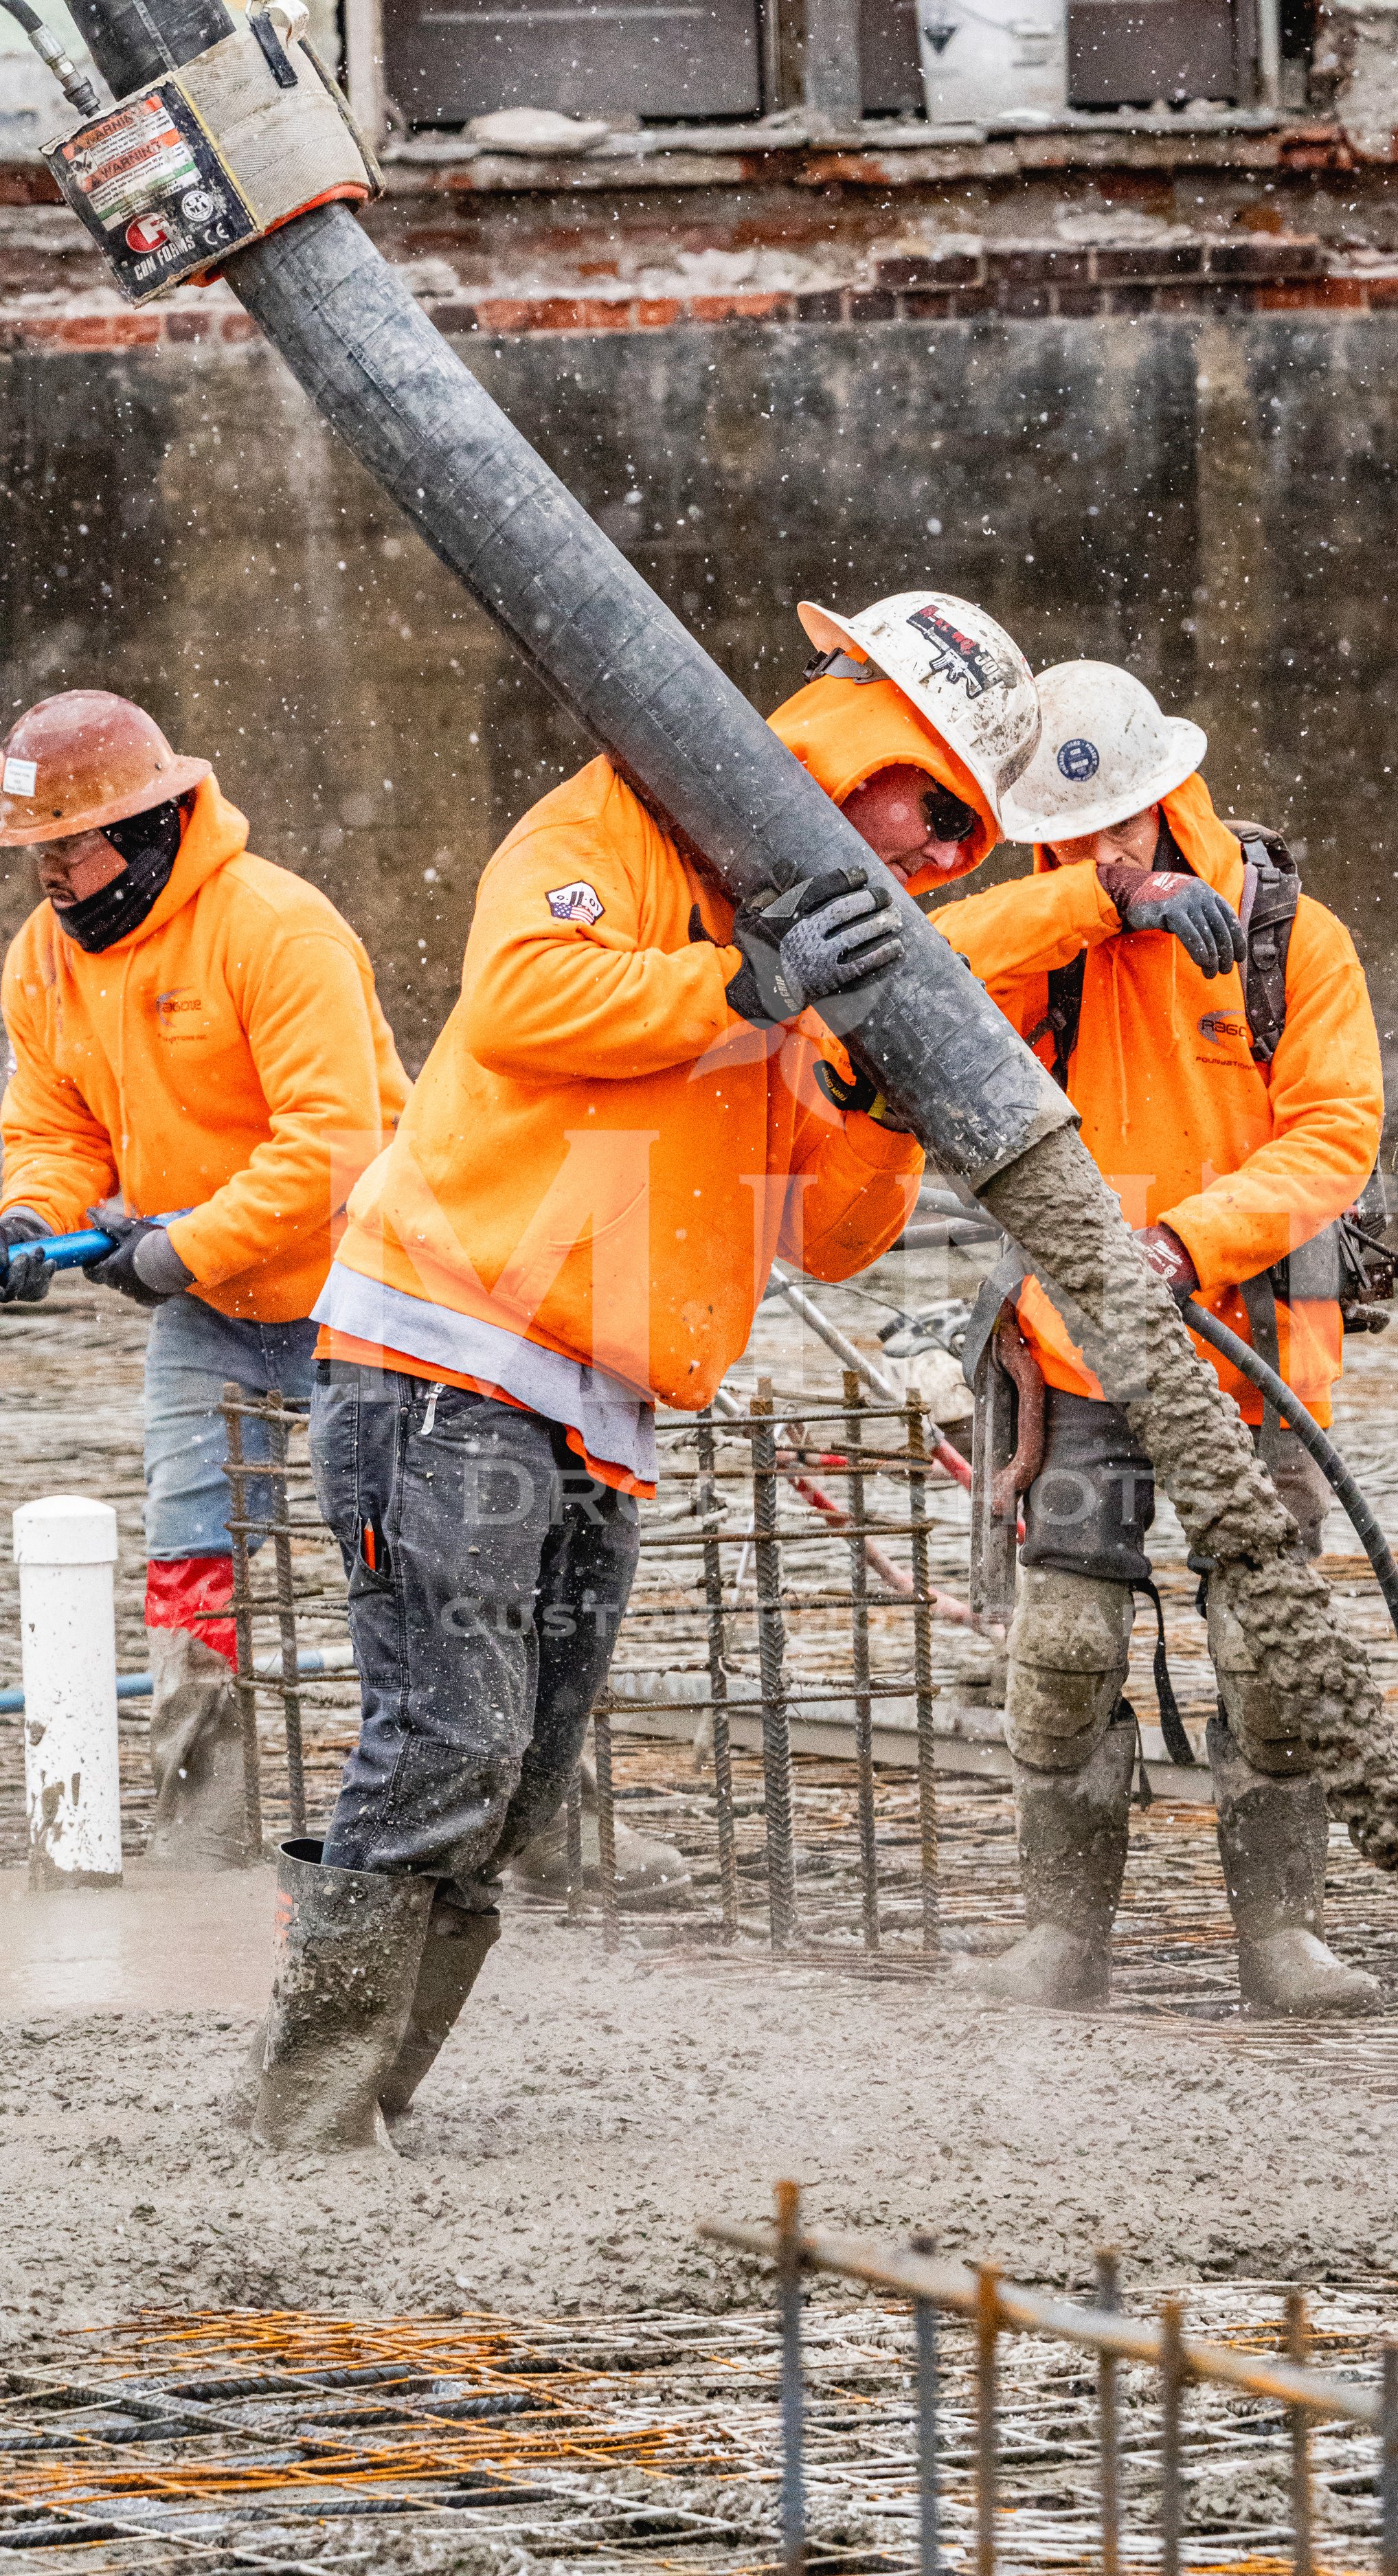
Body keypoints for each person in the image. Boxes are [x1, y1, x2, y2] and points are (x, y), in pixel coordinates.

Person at [251, 590, 1038, 2154]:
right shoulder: (614, 821)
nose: (942, 855)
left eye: (967, 839)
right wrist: (744, 988)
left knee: (521, 1782)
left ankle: (367, 2096)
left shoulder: (814, 945)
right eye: (935, 806)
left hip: (597, 1407)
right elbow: (524, 999)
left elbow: (823, 1234)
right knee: (447, 1737)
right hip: (444, 1356)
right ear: (858, 735)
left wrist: (877, 1106)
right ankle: (309, 2111)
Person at [929, 659, 1386, 2014]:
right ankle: (1061, 1935)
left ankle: (1277, 1939)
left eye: (1115, 829)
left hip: (1246, 1360)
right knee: (1061, 1645)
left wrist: (1189, 1242)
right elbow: (932, 1000)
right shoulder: (1049, 938)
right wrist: (1093, 902)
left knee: (1265, 1646)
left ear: (1170, 793)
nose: (1094, 848)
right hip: (1075, 1364)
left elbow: (1332, 1138)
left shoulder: (1290, 939)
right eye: (1065, 839)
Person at [0, 690, 407, 1870]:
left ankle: (472, 1824)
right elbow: (55, 1129)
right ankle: (201, 1847)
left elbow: (335, 1142)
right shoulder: (43, 965)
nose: (48, 879)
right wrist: (33, 1217)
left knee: (415, 1566)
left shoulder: (276, 929)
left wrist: (175, 1248)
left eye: (65, 848)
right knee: (193, 1564)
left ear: (151, 821)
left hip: (367, 1295)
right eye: (34, 854)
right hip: (212, 1313)